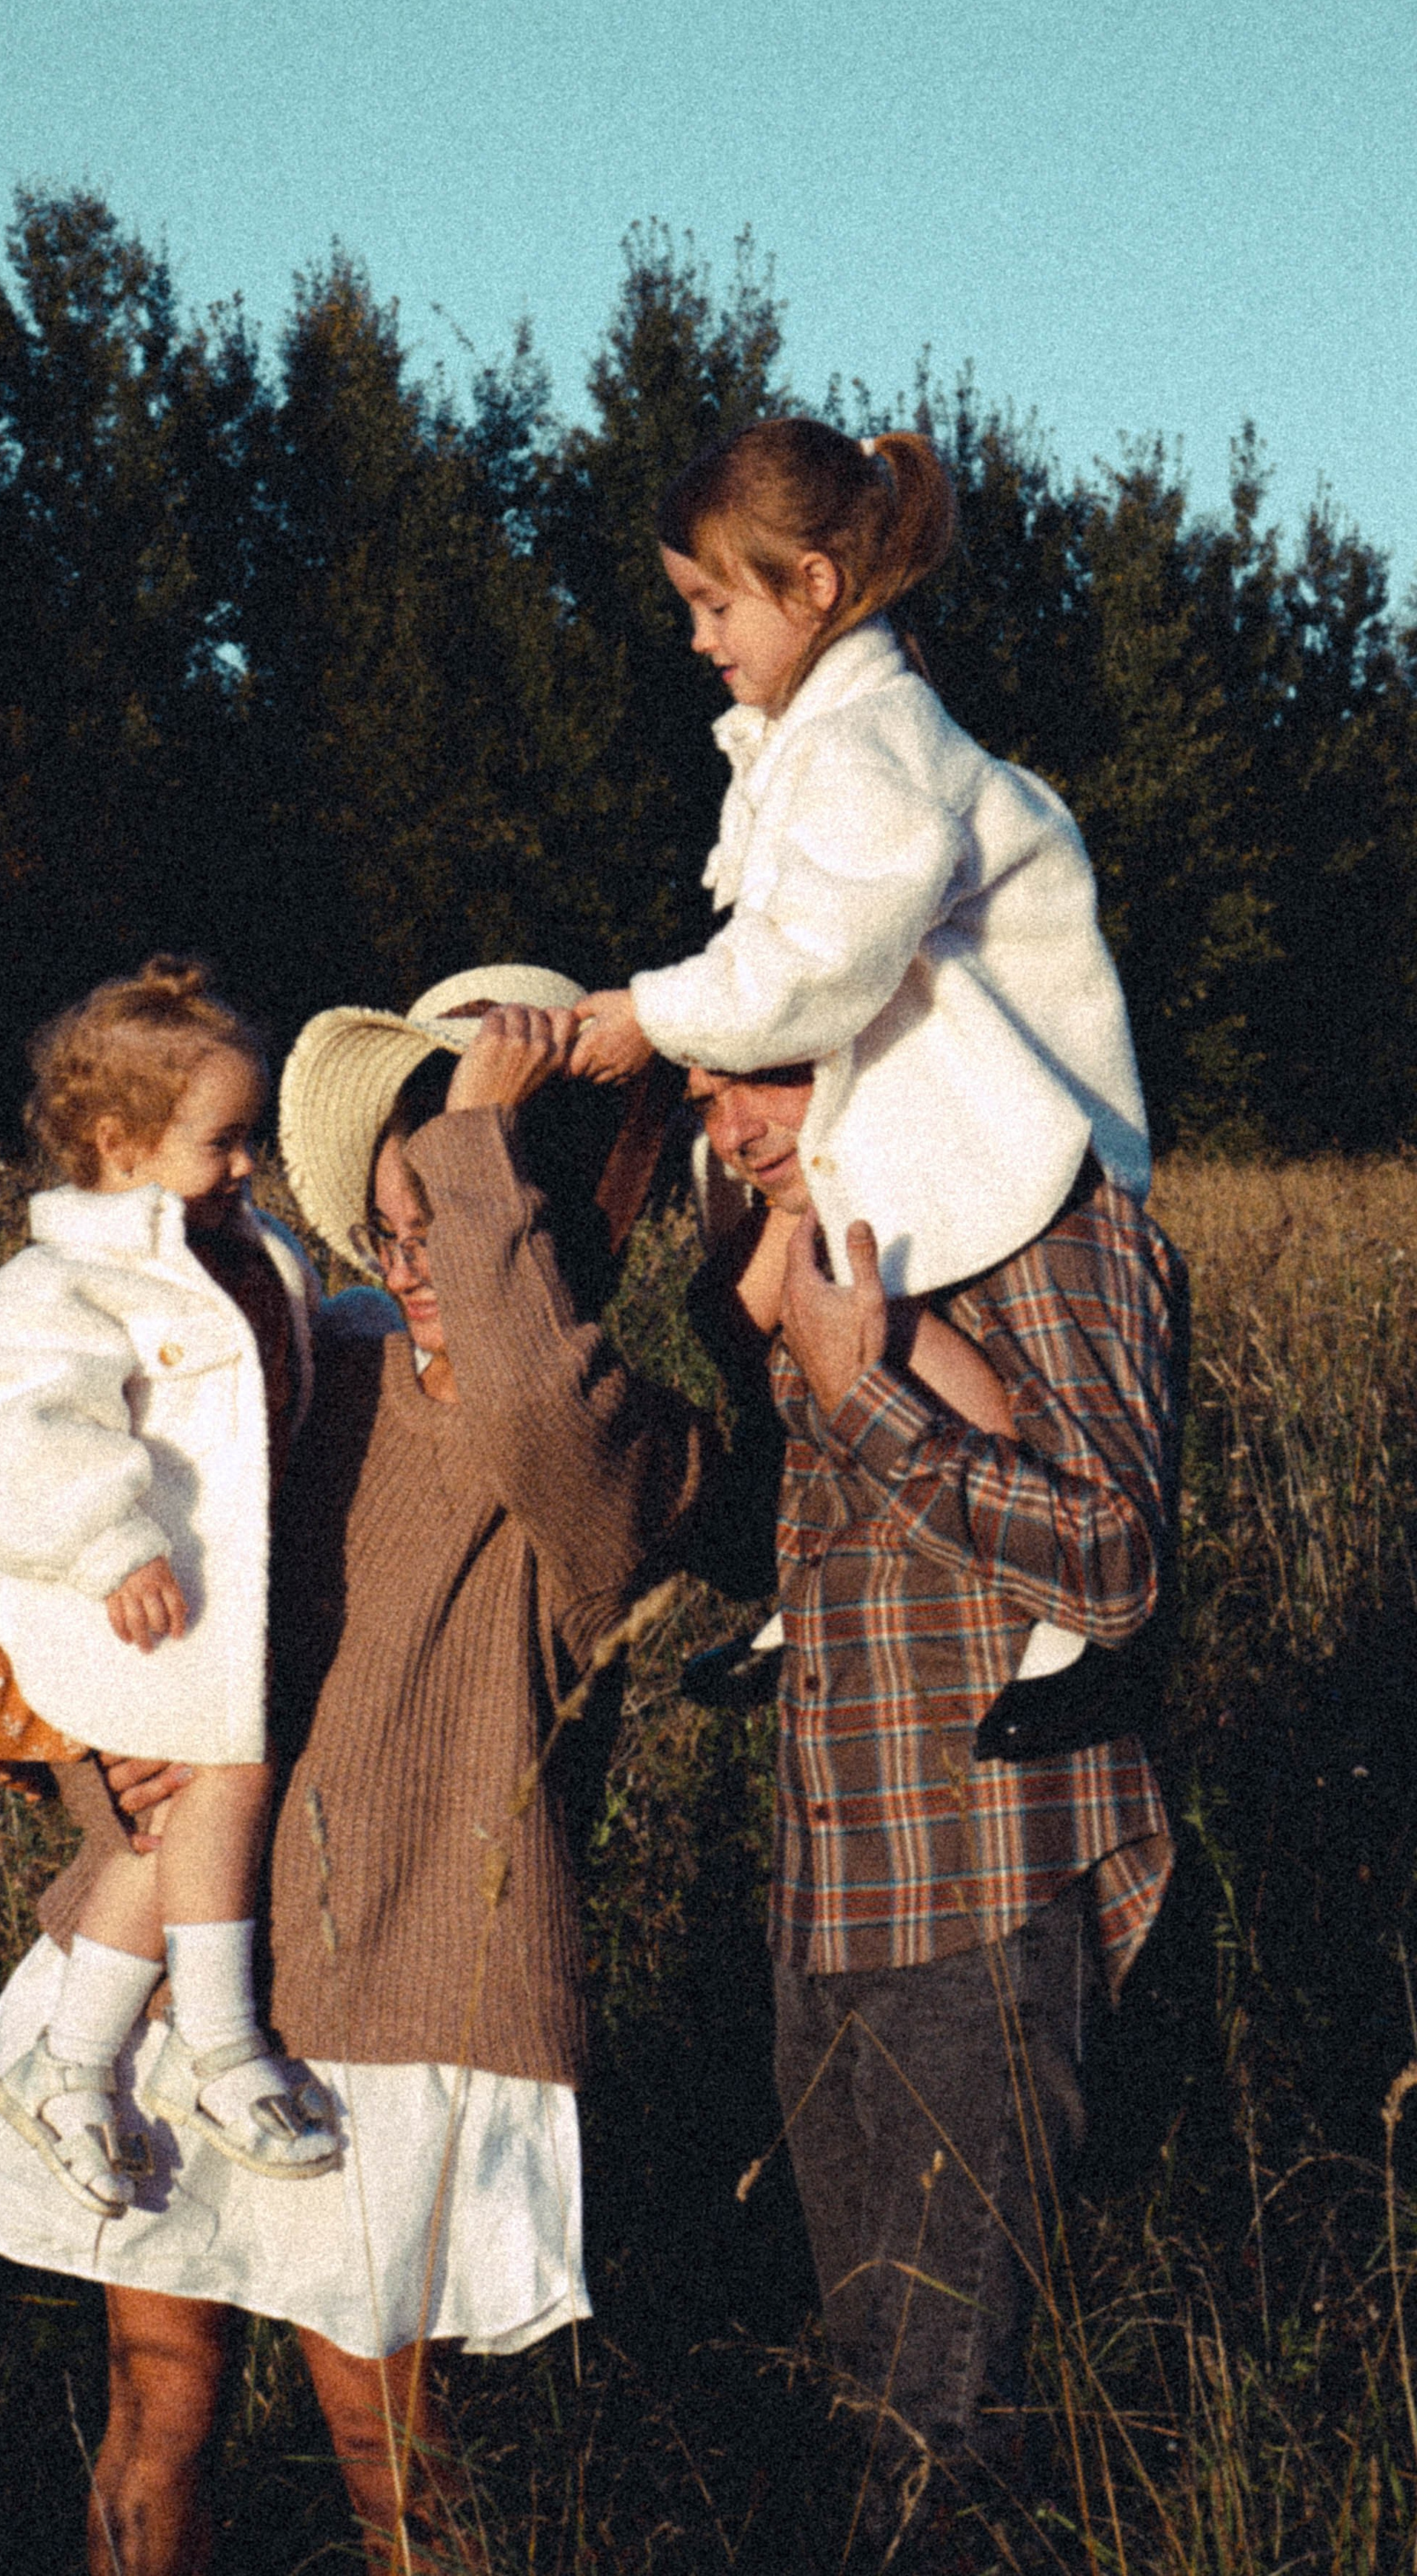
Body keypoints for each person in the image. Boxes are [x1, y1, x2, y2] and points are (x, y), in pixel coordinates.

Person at [0, 972, 706, 2575]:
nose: (416, 1257)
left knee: (388, 2448)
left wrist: (491, 1135)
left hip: (406, 1998)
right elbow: (68, 1543)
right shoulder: (299, 1362)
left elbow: (542, 1402)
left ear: (552, 1228)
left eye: (473, 1214)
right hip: (184, 1957)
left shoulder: (627, 1449)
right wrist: (99, 1763)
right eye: (394, 1216)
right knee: (161, 2396)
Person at [572, 416, 1152, 1717]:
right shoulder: (810, 739)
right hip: (912, 1107)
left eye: (717, 603)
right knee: (772, 1309)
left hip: (1005, 1118)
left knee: (908, 1344)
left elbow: (823, 955)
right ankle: (805, 1574)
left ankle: (1078, 1628)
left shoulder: (869, 740)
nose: (701, 636)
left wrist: (655, 1016)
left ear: (815, 587)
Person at [684, 1054, 1179, 2565]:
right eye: (706, 1096)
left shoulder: (1043, 1221)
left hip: (975, 1895)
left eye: (763, 1082)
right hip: (835, 1887)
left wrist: (863, 1398)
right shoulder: (828, 1229)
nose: (732, 1130)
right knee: (875, 2400)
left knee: (937, 2434)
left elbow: (1114, 1566)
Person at [0, 958, 336, 2218]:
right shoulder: (56, 1289)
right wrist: (115, 1540)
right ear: (118, 1145)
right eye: (221, 1143)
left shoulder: (250, 1251)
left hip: (186, 1604)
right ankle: (218, 2045)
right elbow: (27, 1430)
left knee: (175, 1818)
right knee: (225, 1769)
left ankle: (69, 2066)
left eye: (250, 1139)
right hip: (92, 1593)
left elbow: (294, 1349)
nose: (245, 1167)